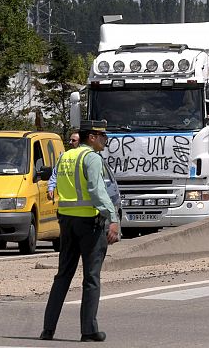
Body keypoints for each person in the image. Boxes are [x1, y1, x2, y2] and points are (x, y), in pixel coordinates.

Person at [40, 121, 119, 342]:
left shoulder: (65, 156)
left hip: (66, 221)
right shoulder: (91, 158)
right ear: (91, 137)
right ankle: (89, 331)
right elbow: (96, 190)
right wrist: (112, 218)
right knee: (91, 278)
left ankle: (48, 329)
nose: (105, 140)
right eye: (102, 136)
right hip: (89, 224)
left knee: (63, 275)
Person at [47, 131, 79, 201]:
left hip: (80, 201)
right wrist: (51, 188)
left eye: (73, 140)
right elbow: (55, 173)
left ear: (80, 142)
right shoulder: (63, 156)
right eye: (70, 140)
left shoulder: (85, 157)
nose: (70, 142)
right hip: (65, 201)